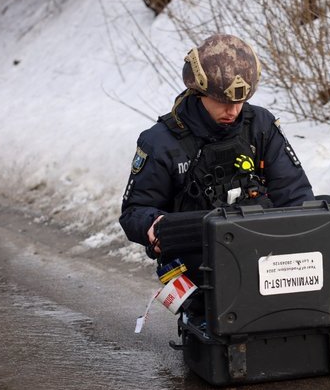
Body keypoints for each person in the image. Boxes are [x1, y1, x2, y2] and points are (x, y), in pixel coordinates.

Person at [119, 34, 315, 260]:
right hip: (197, 258)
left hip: (265, 253)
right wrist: (154, 225)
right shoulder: (161, 141)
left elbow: (294, 194)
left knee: (326, 207)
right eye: (223, 102)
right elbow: (135, 211)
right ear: (199, 92)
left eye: (239, 102)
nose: (233, 111)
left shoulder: (261, 126)